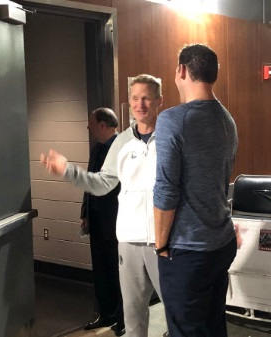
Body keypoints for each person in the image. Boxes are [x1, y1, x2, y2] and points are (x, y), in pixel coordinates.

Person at [40, 74, 167, 337]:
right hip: (128, 242)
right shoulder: (121, 143)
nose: (140, 104)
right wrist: (67, 172)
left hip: (163, 241)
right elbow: (102, 183)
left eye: (146, 98)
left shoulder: (172, 138)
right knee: (132, 315)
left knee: (175, 310)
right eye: (134, 98)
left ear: (159, 102)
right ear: (129, 102)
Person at [153, 44, 239, 337]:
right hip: (221, 242)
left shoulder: (172, 120)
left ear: (181, 71)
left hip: (188, 250)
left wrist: (161, 245)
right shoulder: (227, 120)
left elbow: (166, 190)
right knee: (213, 324)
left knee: (186, 329)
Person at [80, 107, 124, 336]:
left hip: (116, 221)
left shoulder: (124, 148)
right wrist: (85, 214)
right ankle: (105, 314)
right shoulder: (97, 149)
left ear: (103, 125)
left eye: (91, 123)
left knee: (118, 272)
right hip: (97, 220)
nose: (88, 127)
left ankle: (121, 319)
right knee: (100, 270)